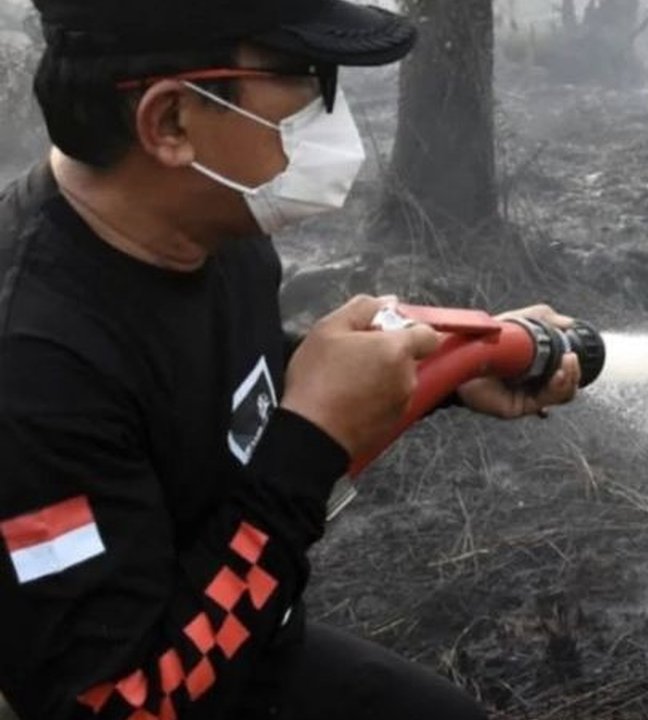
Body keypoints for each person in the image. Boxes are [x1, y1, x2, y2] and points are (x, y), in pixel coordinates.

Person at [0, 1, 581, 718]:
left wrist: (448, 369)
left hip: (248, 645)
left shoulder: (211, 227)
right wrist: (310, 440)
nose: (330, 113)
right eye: (308, 77)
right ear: (171, 121)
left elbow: (206, 392)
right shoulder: (33, 366)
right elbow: (122, 702)